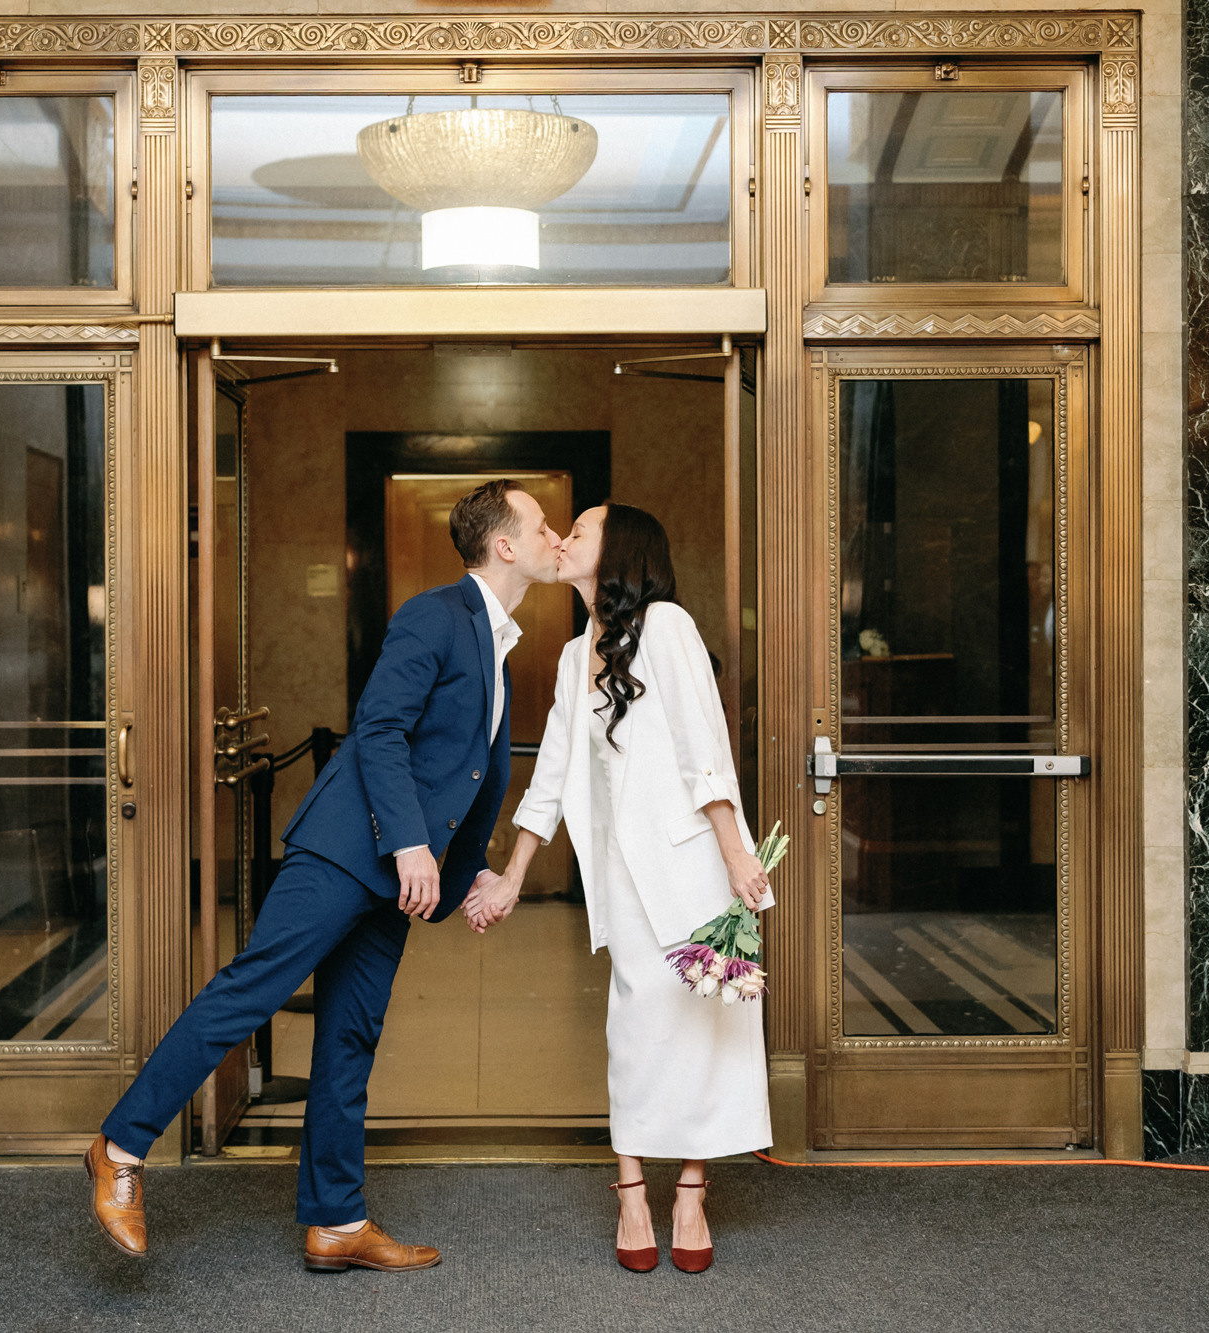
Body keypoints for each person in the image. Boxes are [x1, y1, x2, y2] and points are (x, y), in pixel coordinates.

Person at [85, 478, 560, 1273]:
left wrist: (470, 868)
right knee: (252, 987)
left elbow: (463, 770)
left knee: (350, 1033)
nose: (554, 536)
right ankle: (120, 1147)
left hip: (395, 873)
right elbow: (378, 730)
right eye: (542, 526)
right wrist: (411, 845)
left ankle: (337, 1220)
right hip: (349, 847)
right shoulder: (436, 615)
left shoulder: (498, 641)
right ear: (504, 544)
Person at [463, 503, 772, 1275]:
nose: (564, 538)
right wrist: (511, 873)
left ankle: (691, 1193)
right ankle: (633, 1189)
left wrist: (736, 854)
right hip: (624, 880)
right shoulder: (574, 654)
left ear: (622, 549)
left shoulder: (666, 626)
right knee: (635, 1028)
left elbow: (707, 748)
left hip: (695, 863)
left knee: (707, 1030)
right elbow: (555, 774)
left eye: (583, 529)